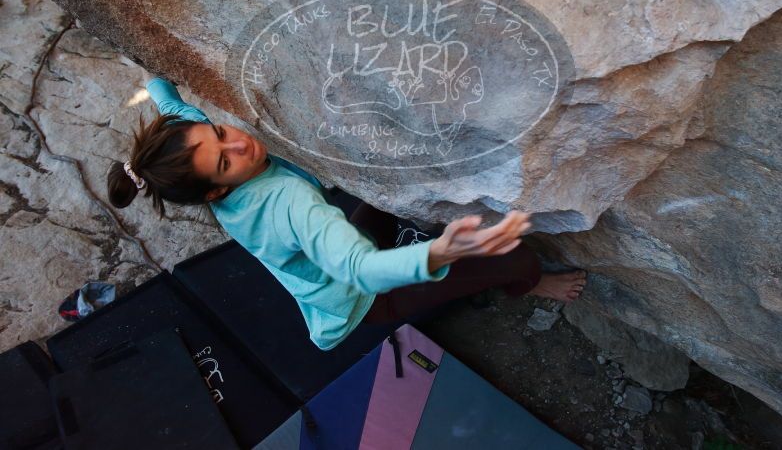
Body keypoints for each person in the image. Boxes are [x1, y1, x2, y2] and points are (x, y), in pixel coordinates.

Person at [107, 77, 587, 350]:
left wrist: (152, 78)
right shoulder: (286, 205)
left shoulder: (196, 150)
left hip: (319, 264)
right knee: (518, 260)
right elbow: (359, 269)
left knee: (373, 209)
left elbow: (172, 103)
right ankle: (527, 285)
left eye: (218, 131)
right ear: (214, 192)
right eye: (226, 160)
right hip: (361, 299)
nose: (239, 142)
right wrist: (438, 252)